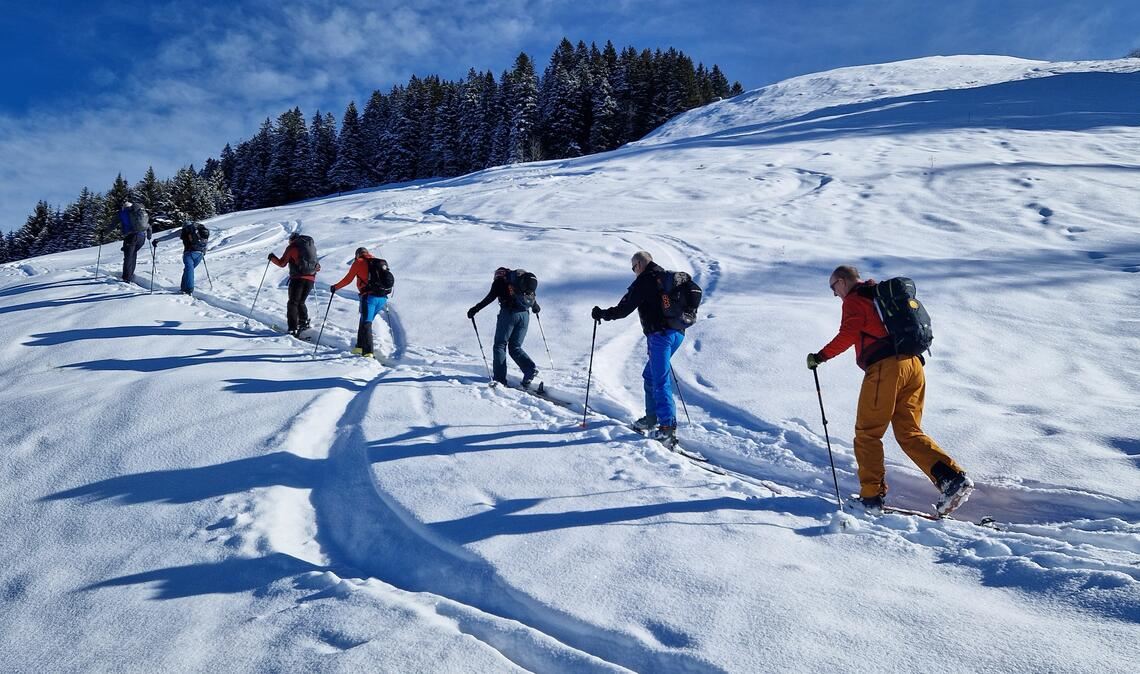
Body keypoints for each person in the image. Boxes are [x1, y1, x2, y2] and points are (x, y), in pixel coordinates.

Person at [807, 265, 974, 515]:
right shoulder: (880, 296)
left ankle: (871, 497)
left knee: (867, 433)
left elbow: (848, 333)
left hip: (886, 368)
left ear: (842, 281)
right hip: (914, 365)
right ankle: (953, 479)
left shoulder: (855, 299)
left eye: (833, 287)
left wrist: (820, 356)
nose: (834, 294)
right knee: (909, 431)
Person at [591, 251, 684, 448]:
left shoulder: (644, 281)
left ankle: (667, 428)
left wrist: (603, 314)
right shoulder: (666, 277)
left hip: (660, 336)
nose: (634, 271)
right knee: (650, 376)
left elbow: (624, 309)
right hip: (678, 333)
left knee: (660, 380)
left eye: (633, 267)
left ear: (640, 264)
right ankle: (652, 418)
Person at [467, 267, 540, 387]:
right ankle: (530, 369)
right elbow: (532, 300)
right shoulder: (519, 282)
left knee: (500, 346)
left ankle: (500, 380)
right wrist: (535, 307)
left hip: (509, 315)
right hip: (524, 316)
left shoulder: (500, 282)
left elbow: (490, 297)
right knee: (515, 347)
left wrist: (475, 309)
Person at [331, 247, 392, 357]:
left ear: (357, 255)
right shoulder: (378, 262)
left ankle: (368, 352)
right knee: (363, 321)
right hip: (382, 298)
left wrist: (335, 287)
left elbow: (348, 279)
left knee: (366, 323)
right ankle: (359, 347)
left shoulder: (359, 262)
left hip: (369, 298)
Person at [269, 233, 321, 337]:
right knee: (301, 302)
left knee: (292, 303)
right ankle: (304, 322)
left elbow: (282, 263)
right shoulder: (310, 248)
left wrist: (272, 258)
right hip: (310, 279)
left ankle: (292, 329)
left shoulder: (292, 247)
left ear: (291, 240)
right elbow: (318, 267)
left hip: (298, 279)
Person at [151, 215, 208, 296]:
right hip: (199, 254)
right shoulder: (200, 231)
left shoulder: (184, 231)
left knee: (189, 270)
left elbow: (169, 236)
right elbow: (205, 242)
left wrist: (157, 240)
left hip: (188, 253)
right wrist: (204, 252)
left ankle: (188, 289)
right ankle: (183, 288)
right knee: (188, 270)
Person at [118, 201, 151, 283]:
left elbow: (113, 224)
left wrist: (104, 233)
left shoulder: (123, 213)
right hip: (142, 237)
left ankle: (126, 278)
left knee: (128, 257)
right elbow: (148, 226)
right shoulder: (139, 213)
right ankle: (130, 274)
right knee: (133, 254)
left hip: (131, 237)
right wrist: (149, 236)